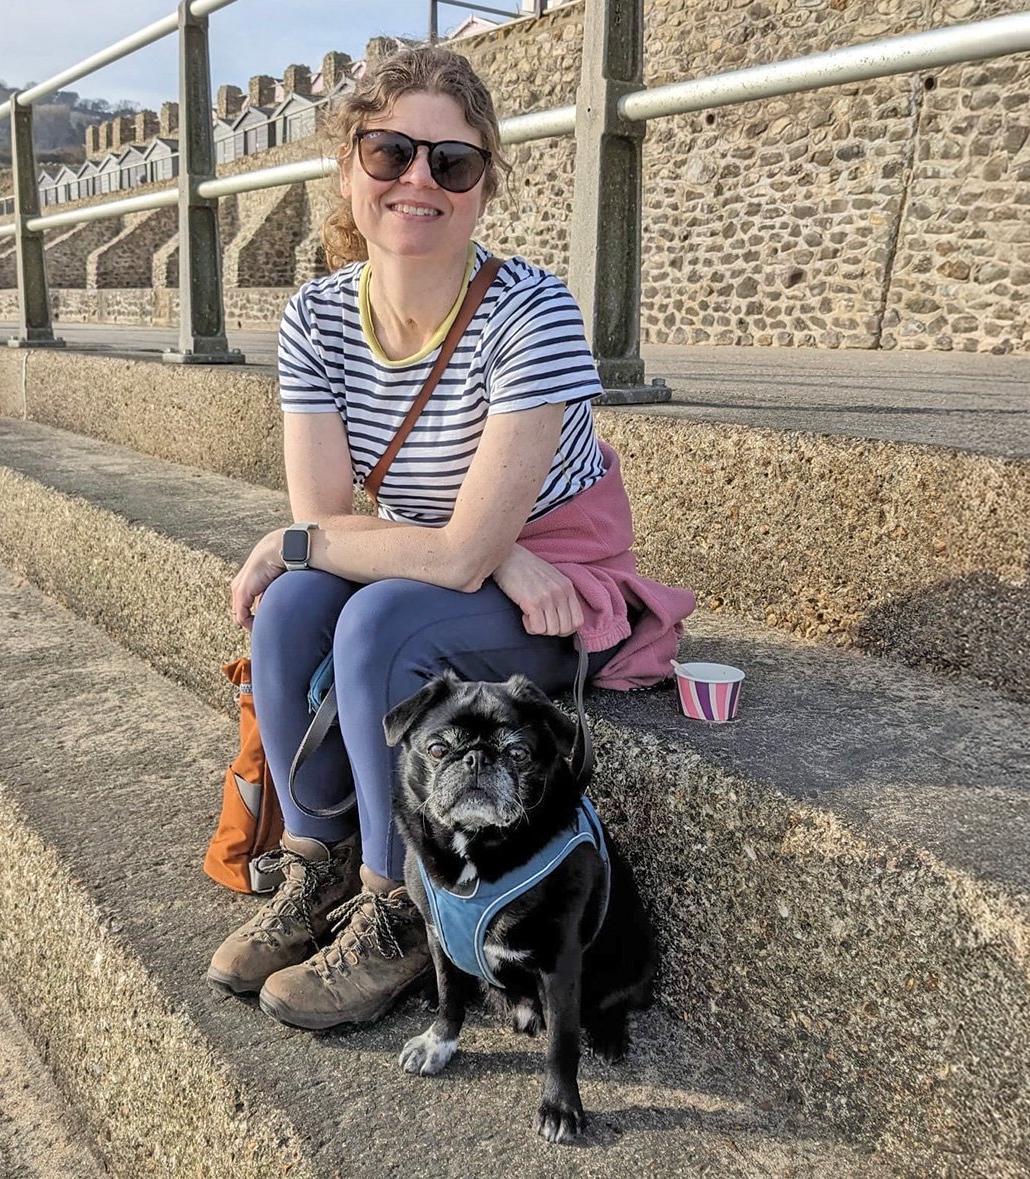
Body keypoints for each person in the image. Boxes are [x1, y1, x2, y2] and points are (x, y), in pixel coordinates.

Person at [207, 46, 695, 1031]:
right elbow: (332, 524)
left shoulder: (532, 313)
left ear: (480, 188)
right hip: (452, 554)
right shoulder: (315, 318)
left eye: (452, 163)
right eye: (390, 154)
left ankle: (400, 906)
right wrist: (451, 548)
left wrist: (479, 551)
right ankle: (315, 861)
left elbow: (341, 536)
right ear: (348, 171)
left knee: (373, 615)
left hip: (553, 583)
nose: (418, 181)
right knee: (294, 600)